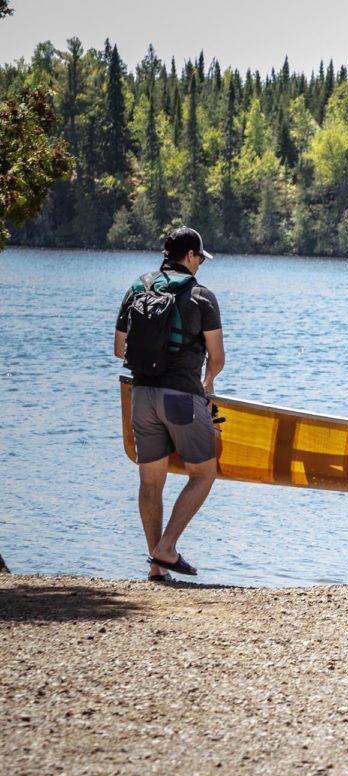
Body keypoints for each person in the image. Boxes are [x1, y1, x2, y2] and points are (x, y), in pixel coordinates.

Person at [114, 227, 224, 582]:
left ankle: (157, 567)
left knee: (150, 482)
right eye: (200, 258)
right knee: (203, 474)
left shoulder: (137, 288)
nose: (200, 264)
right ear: (190, 256)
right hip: (180, 398)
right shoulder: (201, 296)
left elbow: (119, 349)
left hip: (142, 396)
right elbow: (217, 358)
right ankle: (167, 547)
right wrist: (208, 382)